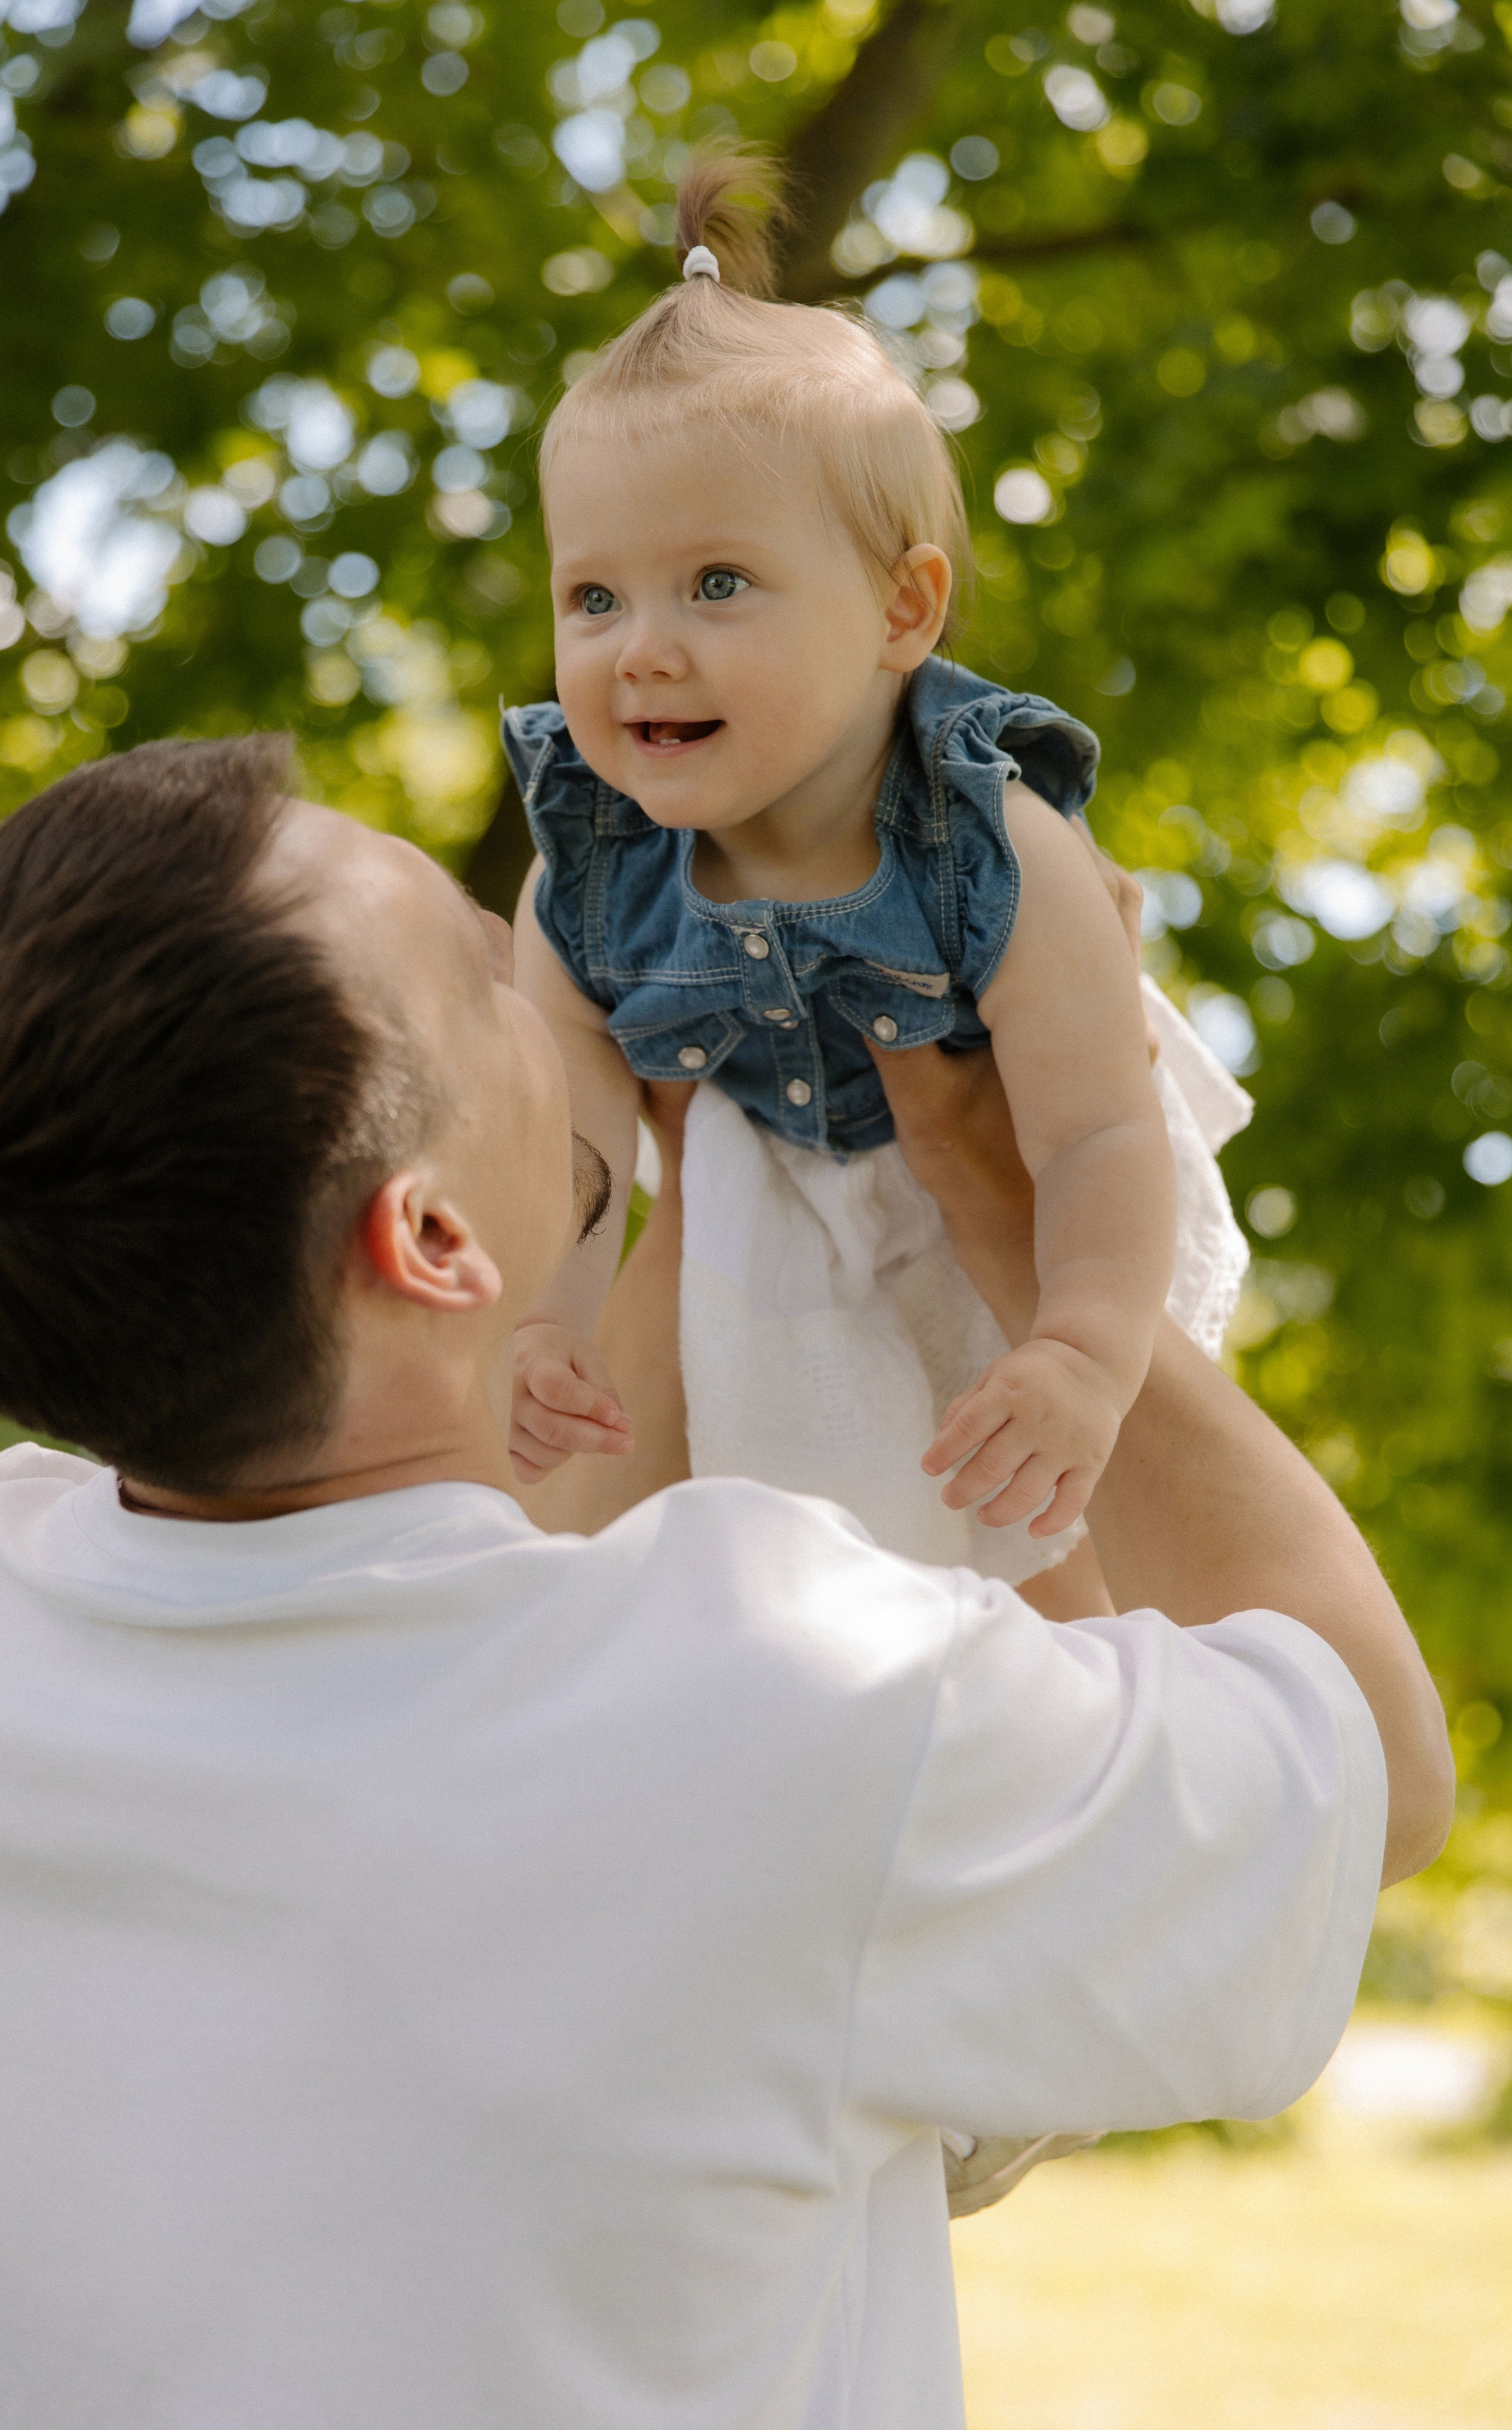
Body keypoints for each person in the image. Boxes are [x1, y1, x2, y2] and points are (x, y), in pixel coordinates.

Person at [0, 737, 1451, 2429]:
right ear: (428, 1243)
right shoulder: (793, 1704)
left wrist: (684, 1160)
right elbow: (1368, 1752)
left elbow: (504, 1577)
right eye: (481, 966)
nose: (553, 957)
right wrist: (1028, 1232)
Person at [505, 152, 1251, 1614]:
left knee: (1041, 1526)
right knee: (746, 1557)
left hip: (1027, 1194)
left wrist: (1084, 1354)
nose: (638, 646)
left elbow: (1098, 1132)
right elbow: (576, 1146)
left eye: (716, 583)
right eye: (593, 596)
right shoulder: (585, 884)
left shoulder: (989, 845)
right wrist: (550, 1320)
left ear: (899, 611)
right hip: (757, 1202)